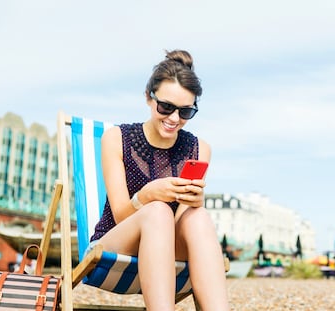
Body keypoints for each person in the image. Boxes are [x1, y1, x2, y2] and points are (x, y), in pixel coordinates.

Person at [89, 50, 230, 311]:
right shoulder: (116, 138)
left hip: (167, 249)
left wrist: (193, 202)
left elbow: (183, 226)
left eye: (186, 111)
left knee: (198, 217)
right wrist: (148, 195)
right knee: (157, 212)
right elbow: (120, 215)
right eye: (165, 107)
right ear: (147, 97)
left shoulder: (199, 148)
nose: (174, 119)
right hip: (115, 243)